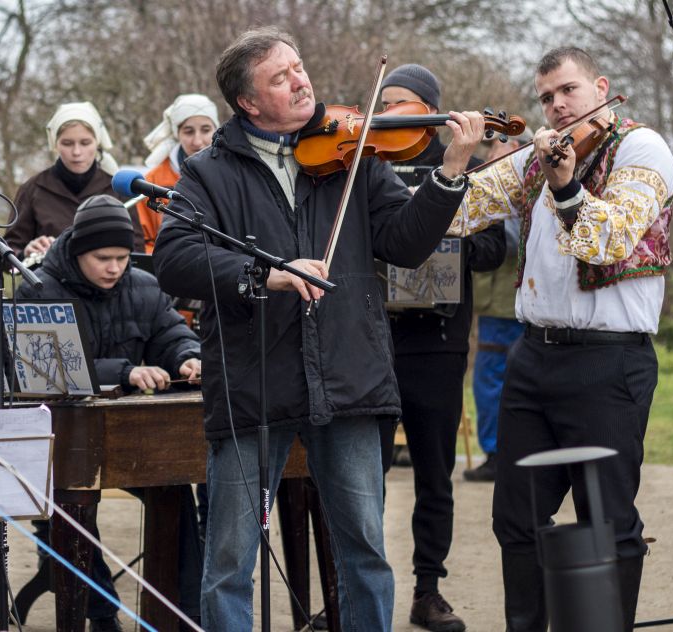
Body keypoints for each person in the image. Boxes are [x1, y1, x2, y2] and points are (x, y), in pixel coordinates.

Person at [153, 26, 486, 631]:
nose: (300, 81)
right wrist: (267, 273)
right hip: (254, 383)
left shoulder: (354, 156)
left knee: (365, 553)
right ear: (248, 102)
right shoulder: (208, 173)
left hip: (347, 376)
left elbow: (406, 244)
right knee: (230, 560)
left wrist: (450, 173)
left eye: (298, 67)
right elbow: (174, 258)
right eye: (279, 78)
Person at [448, 47, 673, 631]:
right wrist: (451, 166)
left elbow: (612, 238)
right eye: (546, 97)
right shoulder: (537, 156)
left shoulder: (641, 149)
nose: (556, 105)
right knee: (515, 518)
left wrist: (567, 183)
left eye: (568, 90)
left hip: (609, 363)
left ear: (601, 87)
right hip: (533, 356)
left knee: (607, 521)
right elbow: (462, 208)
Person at [16, 195, 203, 631]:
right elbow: (45, 371)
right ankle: (100, 614)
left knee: (175, 489)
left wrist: (188, 357)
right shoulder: (38, 289)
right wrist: (125, 371)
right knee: (71, 507)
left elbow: (170, 333)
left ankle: (187, 612)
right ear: (78, 250)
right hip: (61, 437)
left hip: (128, 433)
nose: (115, 268)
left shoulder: (145, 286)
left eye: (122, 257)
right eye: (103, 258)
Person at [378, 64, 506, 632]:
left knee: (435, 474)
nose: (391, 113)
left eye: (403, 103)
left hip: (438, 341)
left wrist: (441, 237)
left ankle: (427, 590)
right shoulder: (365, 164)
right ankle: (355, 589)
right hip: (374, 340)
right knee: (363, 476)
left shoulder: (467, 166)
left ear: (431, 110)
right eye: (385, 103)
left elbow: (494, 249)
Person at [463, 133, 531, 484]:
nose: (490, 153)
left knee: (491, 380)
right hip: (503, 302)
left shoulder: (517, 180)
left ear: (515, 148)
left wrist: (471, 227)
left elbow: (511, 240)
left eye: (496, 145)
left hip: (506, 304)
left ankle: (497, 454)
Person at [4, 102, 144, 260]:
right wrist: (24, 253)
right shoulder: (32, 189)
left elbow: (137, 251)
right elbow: (7, 252)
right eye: (67, 143)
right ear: (55, 144)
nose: (77, 152)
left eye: (85, 143)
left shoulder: (118, 189)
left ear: (97, 142)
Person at [137, 94, 220, 253]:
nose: (197, 141)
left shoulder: (232, 175)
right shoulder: (153, 182)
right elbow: (143, 241)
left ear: (216, 130)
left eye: (206, 130)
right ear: (177, 134)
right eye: (188, 132)